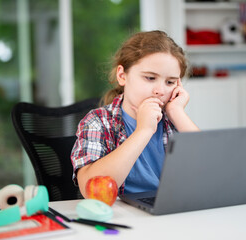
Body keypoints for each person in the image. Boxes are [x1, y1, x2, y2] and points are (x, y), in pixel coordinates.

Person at [71, 30, 199, 197]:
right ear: (122, 76)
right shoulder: (98, 122)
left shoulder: (173, 120)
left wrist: (176, 112)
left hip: (170, 212)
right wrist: (143, 131)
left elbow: (214, 173)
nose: (160, 90)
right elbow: (90, 189)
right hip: (122, 214)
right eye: (150, 78)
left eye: (170, 82)